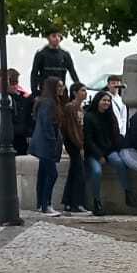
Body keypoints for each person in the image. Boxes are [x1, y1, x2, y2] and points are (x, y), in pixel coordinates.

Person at [82, 91, 131, 216]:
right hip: (93, 153)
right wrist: (99, 155)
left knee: (120, 163)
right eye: (104, 100)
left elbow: (115, 136)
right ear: (97, 101)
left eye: (108, 101)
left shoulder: (110, 116)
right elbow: (88, 140)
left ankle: (127, 191)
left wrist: (116, 149)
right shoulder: (89, 116)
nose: (106, 103)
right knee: (97, 172)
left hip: (109, 151)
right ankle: (97, 201)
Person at [29, 78, 64, 215]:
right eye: (59, 86)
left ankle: (41, 204)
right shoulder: (49, 103)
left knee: (43, 173)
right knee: (51, 174)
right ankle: (46, 204)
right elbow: (46, 124)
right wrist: (52, 142)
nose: (62, 89)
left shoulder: (48, 101)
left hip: (44, 143)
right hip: (46, 143)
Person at [59, 83, 91, 215]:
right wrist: (80, 146)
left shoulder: (80, 108)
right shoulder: (70, 107)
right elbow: (72, 129)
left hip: (78, 143)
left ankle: (68, 202)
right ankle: (77, 203)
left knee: (74, 172)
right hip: (74, 144)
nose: (85, 93)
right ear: (75, 93)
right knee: (79, 174)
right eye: (82, 90)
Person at [7, 69, 31, 155]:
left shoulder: (22, 98)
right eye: (12, 83)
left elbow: (27, 117)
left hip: (21, 135)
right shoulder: (4, 98)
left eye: (16, 83)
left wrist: (28, 133)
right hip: (9, 135)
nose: (15, 86)